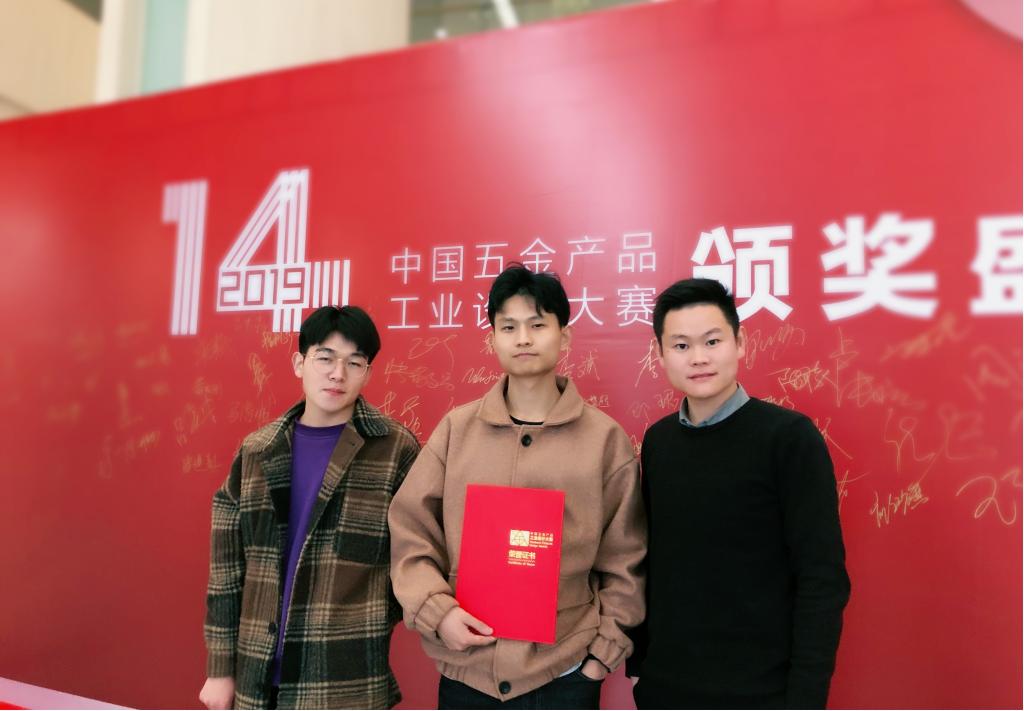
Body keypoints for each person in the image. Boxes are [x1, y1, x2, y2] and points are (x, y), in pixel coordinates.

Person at [389, 264, 646, 709]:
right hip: (468, 672)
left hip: (564, 674)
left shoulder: (605, 440)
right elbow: (412, 533)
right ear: (492, 340)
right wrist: (437, 612)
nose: (523, 338)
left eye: (537, 325)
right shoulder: (456, 431)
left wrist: (598, 660)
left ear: (565, 337)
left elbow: (626, 559)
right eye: (509, 327)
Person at [626, 278, 851, 709]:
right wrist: (641, 664)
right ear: (660, 353)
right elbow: (651, 557)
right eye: (681, 345)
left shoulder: (788, 438)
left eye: (713, 341)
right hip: (666, 689)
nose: (699, 358)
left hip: (760, 693)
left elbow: (822, 578)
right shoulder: (659, 442)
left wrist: (805, 699)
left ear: (740, 342)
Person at [200, 305, 420, 709]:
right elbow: (226, 571)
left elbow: (417, 554)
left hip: (346, 680)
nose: (338, 374)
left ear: (368, 373)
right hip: (257, 678)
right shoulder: (258, 450)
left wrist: (370, 618)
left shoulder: (394, 449)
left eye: (354, 362)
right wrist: (220, 670)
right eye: (325, 358)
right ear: (299, 363)